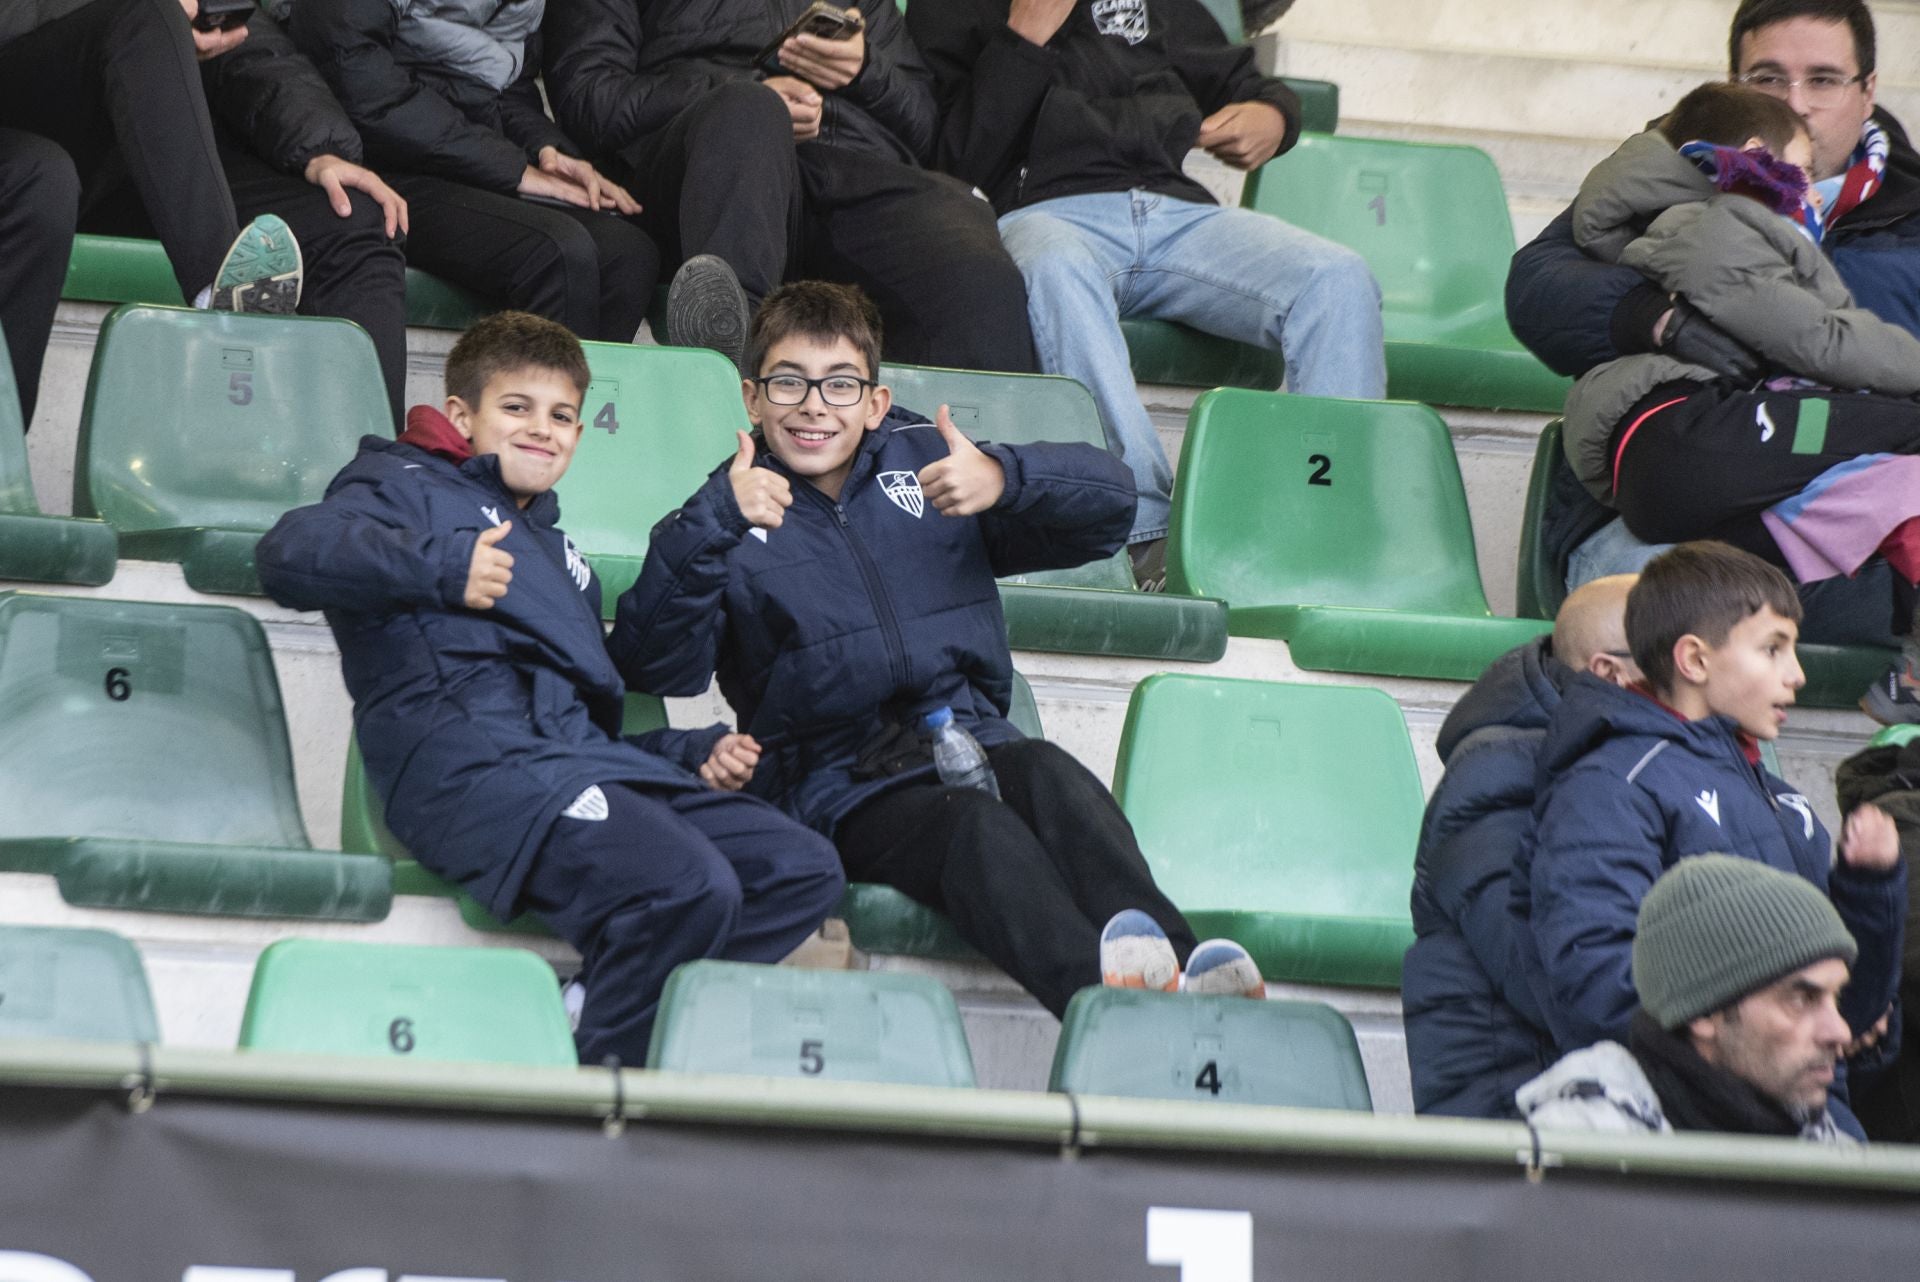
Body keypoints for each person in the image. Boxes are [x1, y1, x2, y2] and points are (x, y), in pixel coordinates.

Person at [610, 280, 1261, 1014]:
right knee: (973, 829)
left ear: (876, 403)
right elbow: (654, 662)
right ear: (752, 399)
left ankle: (1184, 971)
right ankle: (1109, 1008)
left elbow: (1110, 510)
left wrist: (1004, 478)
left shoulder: (926, 461)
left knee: (1050, 773)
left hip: (972, 737)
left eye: (840, 385)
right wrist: (712, 525)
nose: (814, 405)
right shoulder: (727, 508)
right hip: (839, 783)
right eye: (789, 383)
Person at [254, 311, 846, 1064]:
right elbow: (286, 553)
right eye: (517, 408)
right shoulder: (396, 482)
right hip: (464, 771)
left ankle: (597, 1003)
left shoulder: (565, 559)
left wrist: (684, 749)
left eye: (562, 415)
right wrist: (443, 566)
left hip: (562, 767)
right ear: (462, 416)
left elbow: (578, 724)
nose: (543, 429)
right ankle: (595, 1085)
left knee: (801, 869)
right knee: (691, 883)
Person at [907, 0, 1385, 587]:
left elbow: (1243, 80)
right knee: (1055, 267)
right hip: (1046, 213)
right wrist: (1024, 37)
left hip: (1175, 212)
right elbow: (951, 162)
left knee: (1336, 277)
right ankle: (1147, 532)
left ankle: (1334, 528)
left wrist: (1273, 115)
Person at [1509, 0, 1920, 647]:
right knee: (1669, 598)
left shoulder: (1912, 216)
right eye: (1767, 78)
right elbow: (1535, 291)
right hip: (1663, 523)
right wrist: (1651, 317)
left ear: (1867, 92)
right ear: (1732, 83)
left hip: (1856, 536)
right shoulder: (1673, 175)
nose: (1796, 100)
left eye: (1822, 79)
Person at [1510, 541, 1905, 1135]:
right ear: (1694, 660)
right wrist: (1742, 1052)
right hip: (1694, 1133)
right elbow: (1598, 978)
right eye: (1773, 649)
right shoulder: (1612, 783)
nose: (1797, 674)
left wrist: (1871, 893)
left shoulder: (1782, 799)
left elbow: (1836, 1003)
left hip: (1810, 1124)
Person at [541, 0, 1037, 373]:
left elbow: (927, 132)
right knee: (749, 111)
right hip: (708, 172)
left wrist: (866, 71)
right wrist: (740, 89)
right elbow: (587, 101)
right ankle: (738, 372)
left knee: (968, 246)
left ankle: (973, 479)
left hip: (848, 177)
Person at [72, 10, 414, 421]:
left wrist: (317, 148)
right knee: (147, 18)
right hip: (60, 149)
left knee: (351, 217)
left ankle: (378, 466)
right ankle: (218, 296)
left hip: (171, 147)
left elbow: (252, 45)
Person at [277, 0, 662, 346]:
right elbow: (353, 72)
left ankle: (573, 421)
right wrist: (512, 167)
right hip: (369, 160)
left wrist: (545, 149)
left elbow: (504, 85)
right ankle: (518, 419)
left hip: (466, 157)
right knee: (557, 253)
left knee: (629, 255)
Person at [1404, 574, 1642, 1120]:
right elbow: (1561, 987)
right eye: (1678, 653)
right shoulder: (1499, 775)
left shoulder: (1688, 767)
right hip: (1524, 1138)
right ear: (1613, 673)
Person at [1518, 855, 1865, 1142]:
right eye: (1801, 999)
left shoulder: (1833, 1157)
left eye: (1836, 998)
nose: (1840, 1033)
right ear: (1704, 1014)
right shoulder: (1581, 1163)